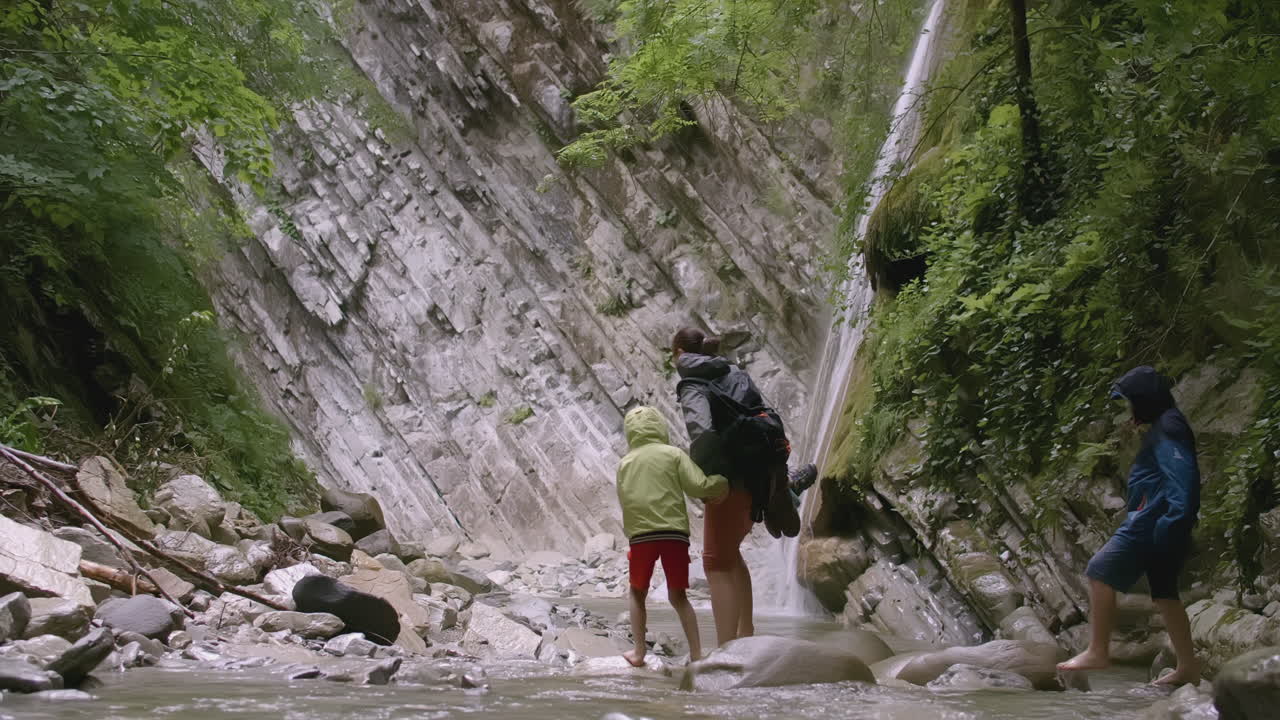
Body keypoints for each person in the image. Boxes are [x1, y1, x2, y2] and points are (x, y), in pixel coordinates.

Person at [671, 327, 815, 647]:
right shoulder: (733, 371)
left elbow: (703, 435)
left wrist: (706, 480)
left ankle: (725, 649)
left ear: (680, 353)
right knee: (731, 554)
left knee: (715, 561)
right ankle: (744, 634)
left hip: (729, 480)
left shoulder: (692, 383)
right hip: (759, 473)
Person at [1058, 366, 1202, 685]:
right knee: (1165, 594)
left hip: (1152, 519)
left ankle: (1098, 651)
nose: (1129, 410)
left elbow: (1184, 479)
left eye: (1131, 402)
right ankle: (1188, 668)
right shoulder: (1167, 424)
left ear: (1145, 400)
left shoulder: (1168, 427)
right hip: (1162, 520)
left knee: (1099, 569)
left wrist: (1171, 522)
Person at [615, 405, 729, 666]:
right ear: (660, 426)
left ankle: (639, 652)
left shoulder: (625, 463)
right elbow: (698, 486)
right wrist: (722, 482)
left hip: (642, 535)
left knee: (636, 592)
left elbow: (625, 500)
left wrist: (632, 532)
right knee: (678, 596)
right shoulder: (673, 454)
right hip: (674, 534)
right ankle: (697, 654)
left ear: (630, 432)